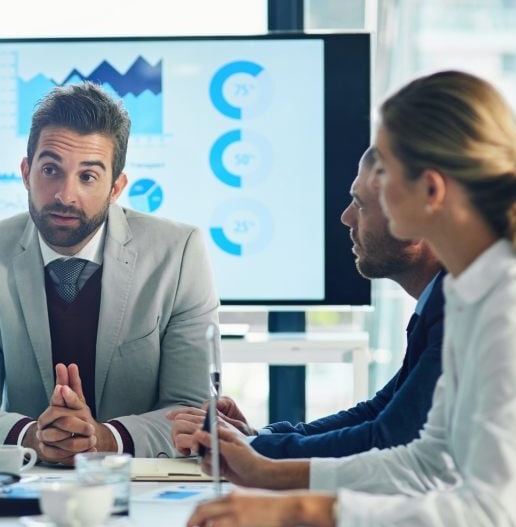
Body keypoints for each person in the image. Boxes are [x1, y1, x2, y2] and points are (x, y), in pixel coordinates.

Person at [184, 71, 516, 527]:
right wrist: (270, 481)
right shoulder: (472, 290)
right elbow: (426, 460)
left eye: (382, 172)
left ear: (430, 190)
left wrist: (302, 509)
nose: (366, 192)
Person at [0, 82, 219, 462]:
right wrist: (33, 437)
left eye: (88, 177)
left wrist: (104, 439)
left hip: (142, 485)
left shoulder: (178, 252)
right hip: (30, 486)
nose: (64, 195)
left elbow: (193, 412)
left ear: (116, 187)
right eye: (51, 170)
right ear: (26, 172)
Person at [168, 147, 445, 459]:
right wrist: (257, 436)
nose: (346, 218)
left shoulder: (454, 311)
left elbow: (389, 436)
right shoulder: (438, 301)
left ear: (414, 219)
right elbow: (381, 410)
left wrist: (252, 448)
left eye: (360, 204)